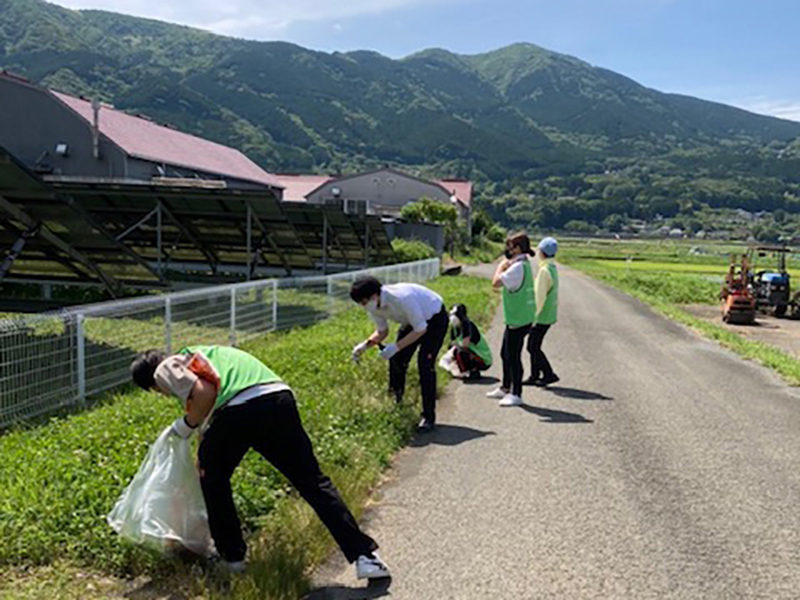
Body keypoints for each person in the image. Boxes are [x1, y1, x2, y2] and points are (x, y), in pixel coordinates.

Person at [130, 345, 390, 580]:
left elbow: (204, 394)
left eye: (156, 391)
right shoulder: (206, 353)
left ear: (152, 380)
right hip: (278, 398)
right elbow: (212, 404)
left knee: (213, 480)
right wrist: (203, 441)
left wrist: (185, 425)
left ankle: (232, 559)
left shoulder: (165, 368)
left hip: (240, 409)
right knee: (312, 481)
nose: (162, 393)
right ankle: (364, 556)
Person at [350, 276, 448, 433]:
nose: (364, 306)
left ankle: (428, 417)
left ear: (374, 295)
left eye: (364, 302)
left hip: (434, 318)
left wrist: (396, 346)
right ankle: (395, 402)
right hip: (412, 323)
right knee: (397, 360)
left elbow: (421, 329)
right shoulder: (373, 306)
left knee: (425, 365)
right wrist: (364, 346)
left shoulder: (402, 297)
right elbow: (382, 331)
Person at [486, 232, 536, 407]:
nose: (508, 250)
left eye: (510, 246)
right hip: (519, 316)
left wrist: (501, 266)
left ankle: (517, 393)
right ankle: (506, 387)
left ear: (518, 249)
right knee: (505, 353)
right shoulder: (523, 264)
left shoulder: (516, 268)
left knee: (513, 356)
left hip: (519, 318)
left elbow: (495, 283)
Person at [525, 237, 560, 387]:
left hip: (541, 316)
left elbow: (539, 297)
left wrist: (532, 317)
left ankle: (548, 373)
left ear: (542, 252)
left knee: (532, 346)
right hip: (548, 314)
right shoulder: (552, 268)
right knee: (534, 345)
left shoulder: (544, 271)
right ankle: (534, 375)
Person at [447, 303, 492, 379]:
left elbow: (465, 344)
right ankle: (464, 370)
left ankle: (470, 371)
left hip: (482, 358)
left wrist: (454, 347)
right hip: (471, 353)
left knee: (460, 351)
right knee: (454, 352)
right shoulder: (454, 328)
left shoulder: (468, 326)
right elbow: (451, 344)